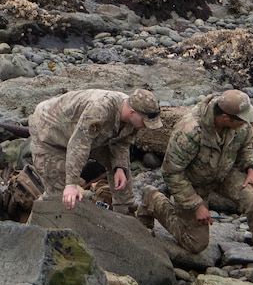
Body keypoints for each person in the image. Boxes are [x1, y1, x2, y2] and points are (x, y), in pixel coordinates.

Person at [139, 88, 253, 282]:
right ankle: (153, 199)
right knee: (196, 244)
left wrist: (251, 169)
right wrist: (196, 204)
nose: (246, 123)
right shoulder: (189, 130)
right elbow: (171, 172)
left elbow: (246, 146)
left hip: (223, 174)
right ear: (226, 118)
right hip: (192, 183)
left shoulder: (240, 124)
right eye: (242, 120)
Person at [27, 86, 162, 212]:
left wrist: (119, 167)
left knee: (120, 168)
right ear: (132, 112)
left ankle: (125, 209)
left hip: (92, 136)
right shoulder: (100, 109)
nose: (146, 127)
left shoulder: (132, 117)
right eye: (145, 122)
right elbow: (79, 145)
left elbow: (122, 142)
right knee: (59, 196)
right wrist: (71, 184)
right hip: (49, 132)